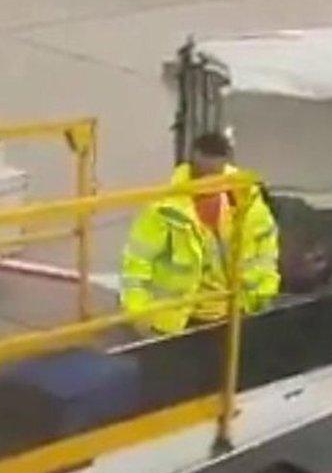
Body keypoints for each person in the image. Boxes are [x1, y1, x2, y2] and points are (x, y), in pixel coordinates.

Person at [119, 133, 280, 336]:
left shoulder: (247, 201)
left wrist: (263, 295)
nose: (209, 184)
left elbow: (266, 249)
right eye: (203, 176)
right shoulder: (163, 209)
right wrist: (139, 316)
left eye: (216, 176)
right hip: (180, 323)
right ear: (192, 167)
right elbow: (136, 264)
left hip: (237, 313)